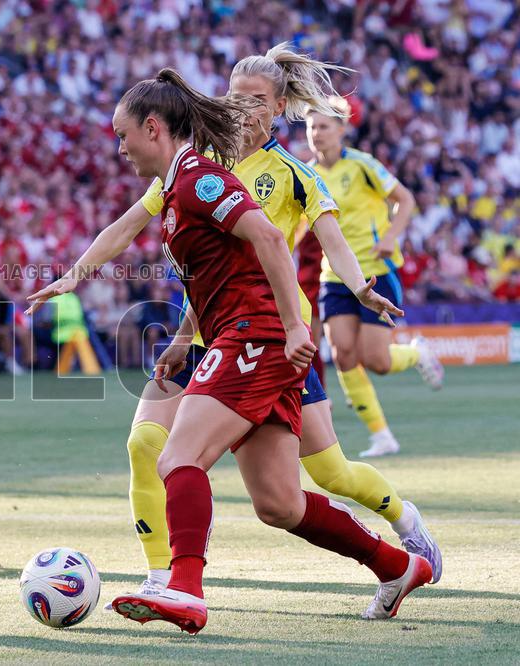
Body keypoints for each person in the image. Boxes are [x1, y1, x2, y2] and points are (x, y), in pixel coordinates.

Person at [30, 69, 430, 633]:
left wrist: (295, 327)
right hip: (239, 335)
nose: (118, 148)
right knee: (280, 505)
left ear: (153, 128)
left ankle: (184, 590)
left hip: (256, 337)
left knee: (178, 456)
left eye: (122, 135)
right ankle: (397, 566)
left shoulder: (201, 178)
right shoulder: (178, 183)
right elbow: (213, 272)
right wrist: (85, 282)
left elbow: (268, 238)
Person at [307, 97, 444, 457]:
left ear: (341, 130)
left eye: (323, 126)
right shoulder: (307, 173)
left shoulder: (363, 164)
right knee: (343, 354)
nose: (316, 133)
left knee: (377, 361)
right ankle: (382, 436)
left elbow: (406, 199)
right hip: (334, 276)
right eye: (311, 127)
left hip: (376, 271)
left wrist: (390, 236)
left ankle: (415, 353)